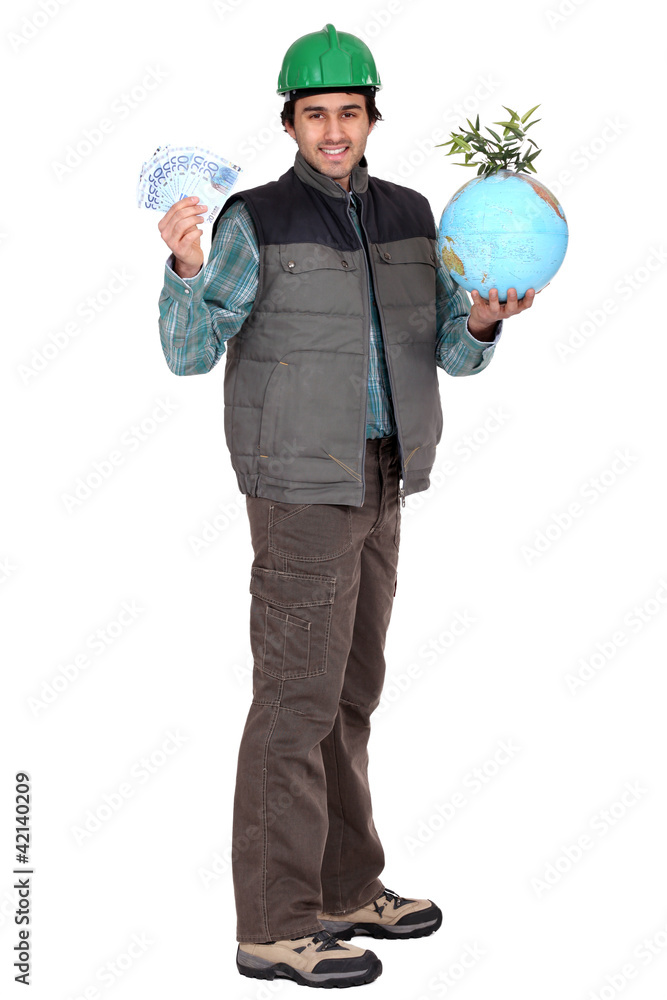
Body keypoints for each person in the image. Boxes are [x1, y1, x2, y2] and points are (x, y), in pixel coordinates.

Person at [156, 23, 536, 990]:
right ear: (290, 121)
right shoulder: (256, 220)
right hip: (297, 490)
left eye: (349, 113)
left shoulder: (413, 215)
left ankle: (342, 886)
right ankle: (275, 927)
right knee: (293, 706)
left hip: (382, 477)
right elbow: (190, 354)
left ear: (372, 118)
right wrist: (189, 270)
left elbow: (452, 347)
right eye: (316, 114)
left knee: (349, 698)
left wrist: (486, 319)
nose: (334, 130)